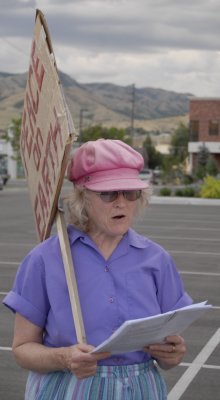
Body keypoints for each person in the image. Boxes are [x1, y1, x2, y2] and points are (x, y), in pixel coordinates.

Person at [3, 139, 192, 399]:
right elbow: (22, 349)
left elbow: (169, 358)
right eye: (108, 193)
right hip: (67, 388)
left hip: (141, 390)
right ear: (82, 196)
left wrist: (173, 355)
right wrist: (64, 358)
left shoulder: (157, 260)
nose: (121, 203)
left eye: (130, 193)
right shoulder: (45, 259)